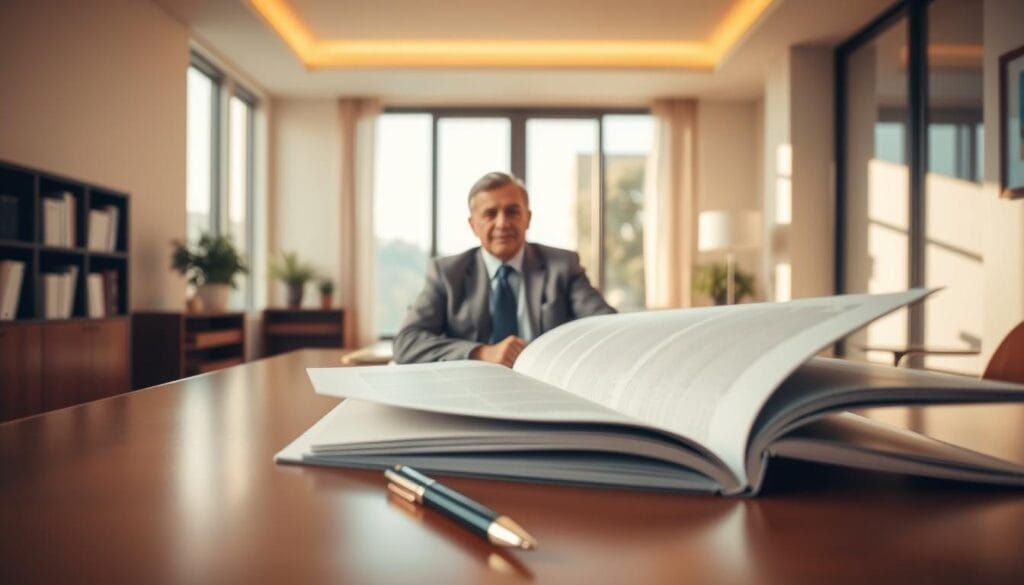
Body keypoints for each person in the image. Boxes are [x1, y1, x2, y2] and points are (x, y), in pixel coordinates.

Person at [393, 171, 615, 367]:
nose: (502, 223)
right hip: (472, 392)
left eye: (512, 212)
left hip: (547, 386)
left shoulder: (563, 266)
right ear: (473, 225)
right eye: (490, 214)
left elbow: (607, 327)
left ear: (527, 218)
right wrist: (480, 352)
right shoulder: (447, 273)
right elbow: (407, 343)